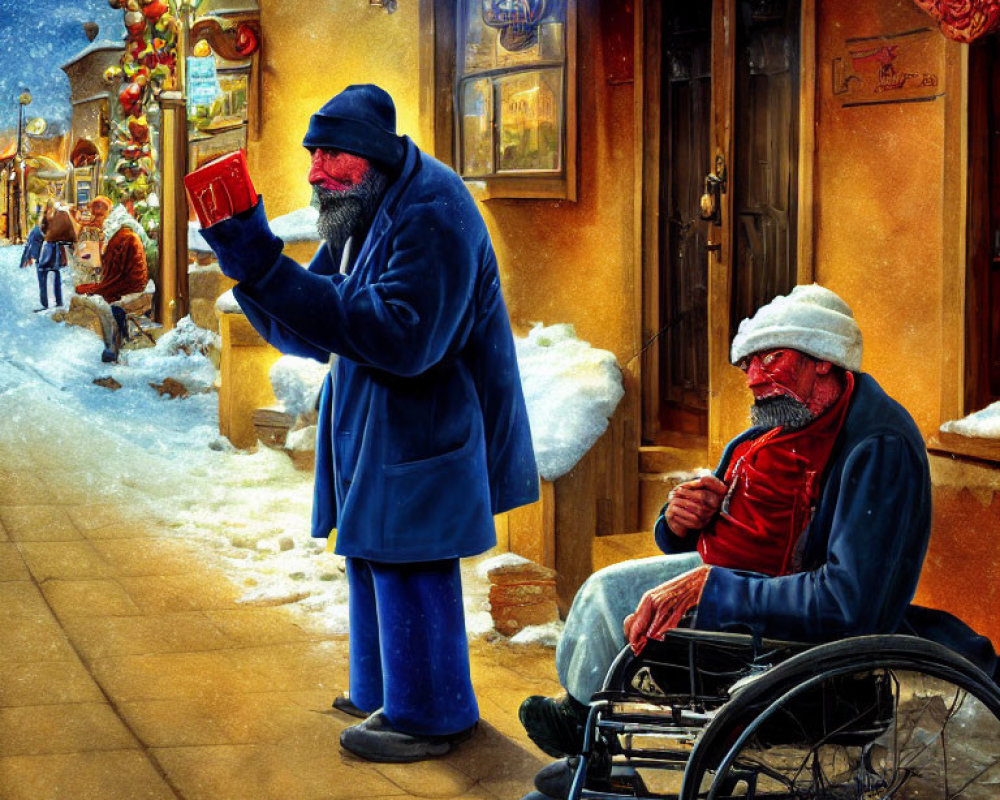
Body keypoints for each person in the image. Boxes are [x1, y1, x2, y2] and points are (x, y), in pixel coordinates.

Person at [198, 83, 539, 762]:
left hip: (427, 427)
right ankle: (382, 690)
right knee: (374, 555)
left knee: (411, 560)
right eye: (313, 155)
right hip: (376, 425)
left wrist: (268, 268)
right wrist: (251, 264)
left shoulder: (434, 211)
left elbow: (403, 336)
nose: (316, 171)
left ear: (371, 156)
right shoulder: (359, 205)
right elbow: (311, 326)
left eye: (331, 156)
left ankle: (433, 713)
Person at [519, 283, 952, 760]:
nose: (753, 378)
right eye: (749, 365)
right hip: (757, 586)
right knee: (603, 591)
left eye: (771, 359)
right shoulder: (780, 422)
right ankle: (585, 730)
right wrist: (681, 522)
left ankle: (585, 737)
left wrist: (714, 586)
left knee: (611, 599)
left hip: (798, 629)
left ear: (823, 357)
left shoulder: (876, 446)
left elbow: (850, 602)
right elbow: (710, 536)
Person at [74, 203, 150, 363]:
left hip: (130, 288)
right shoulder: (123, 235)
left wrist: (91, 288)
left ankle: (112, 349)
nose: (97, 222)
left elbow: (114, 279)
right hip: (130, 284)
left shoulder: (121, 239)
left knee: (103, 308)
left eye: (100, 217)